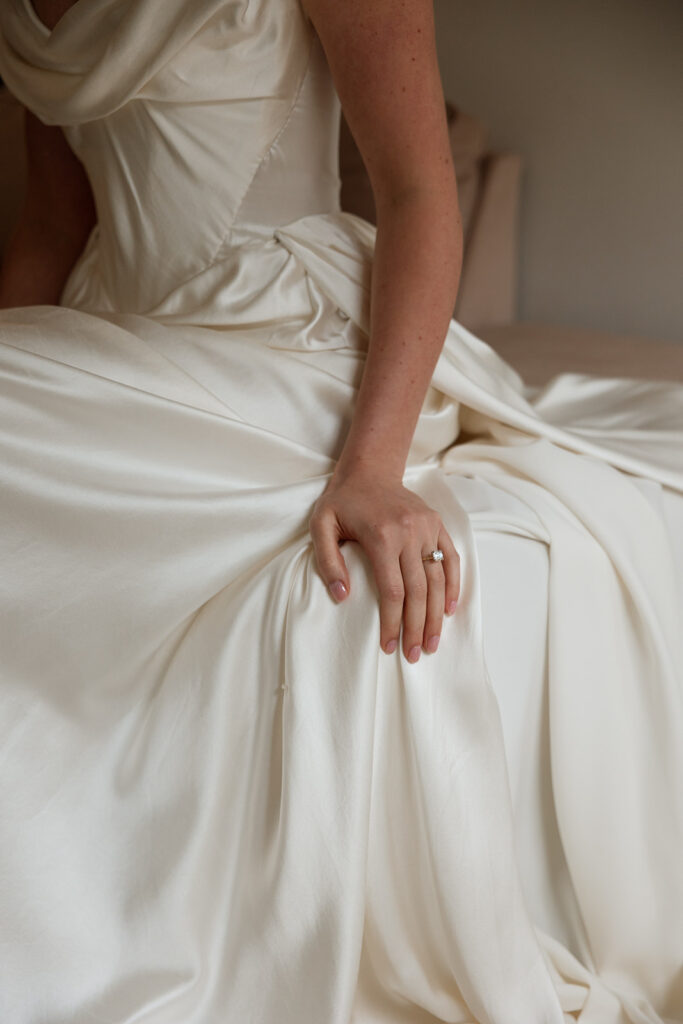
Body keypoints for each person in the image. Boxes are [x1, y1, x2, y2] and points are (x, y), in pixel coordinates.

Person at [0, 1, 681, 1021]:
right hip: (114, 340)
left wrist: (371, 467)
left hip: (288, 337)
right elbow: (55, 228)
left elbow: (416, 190)